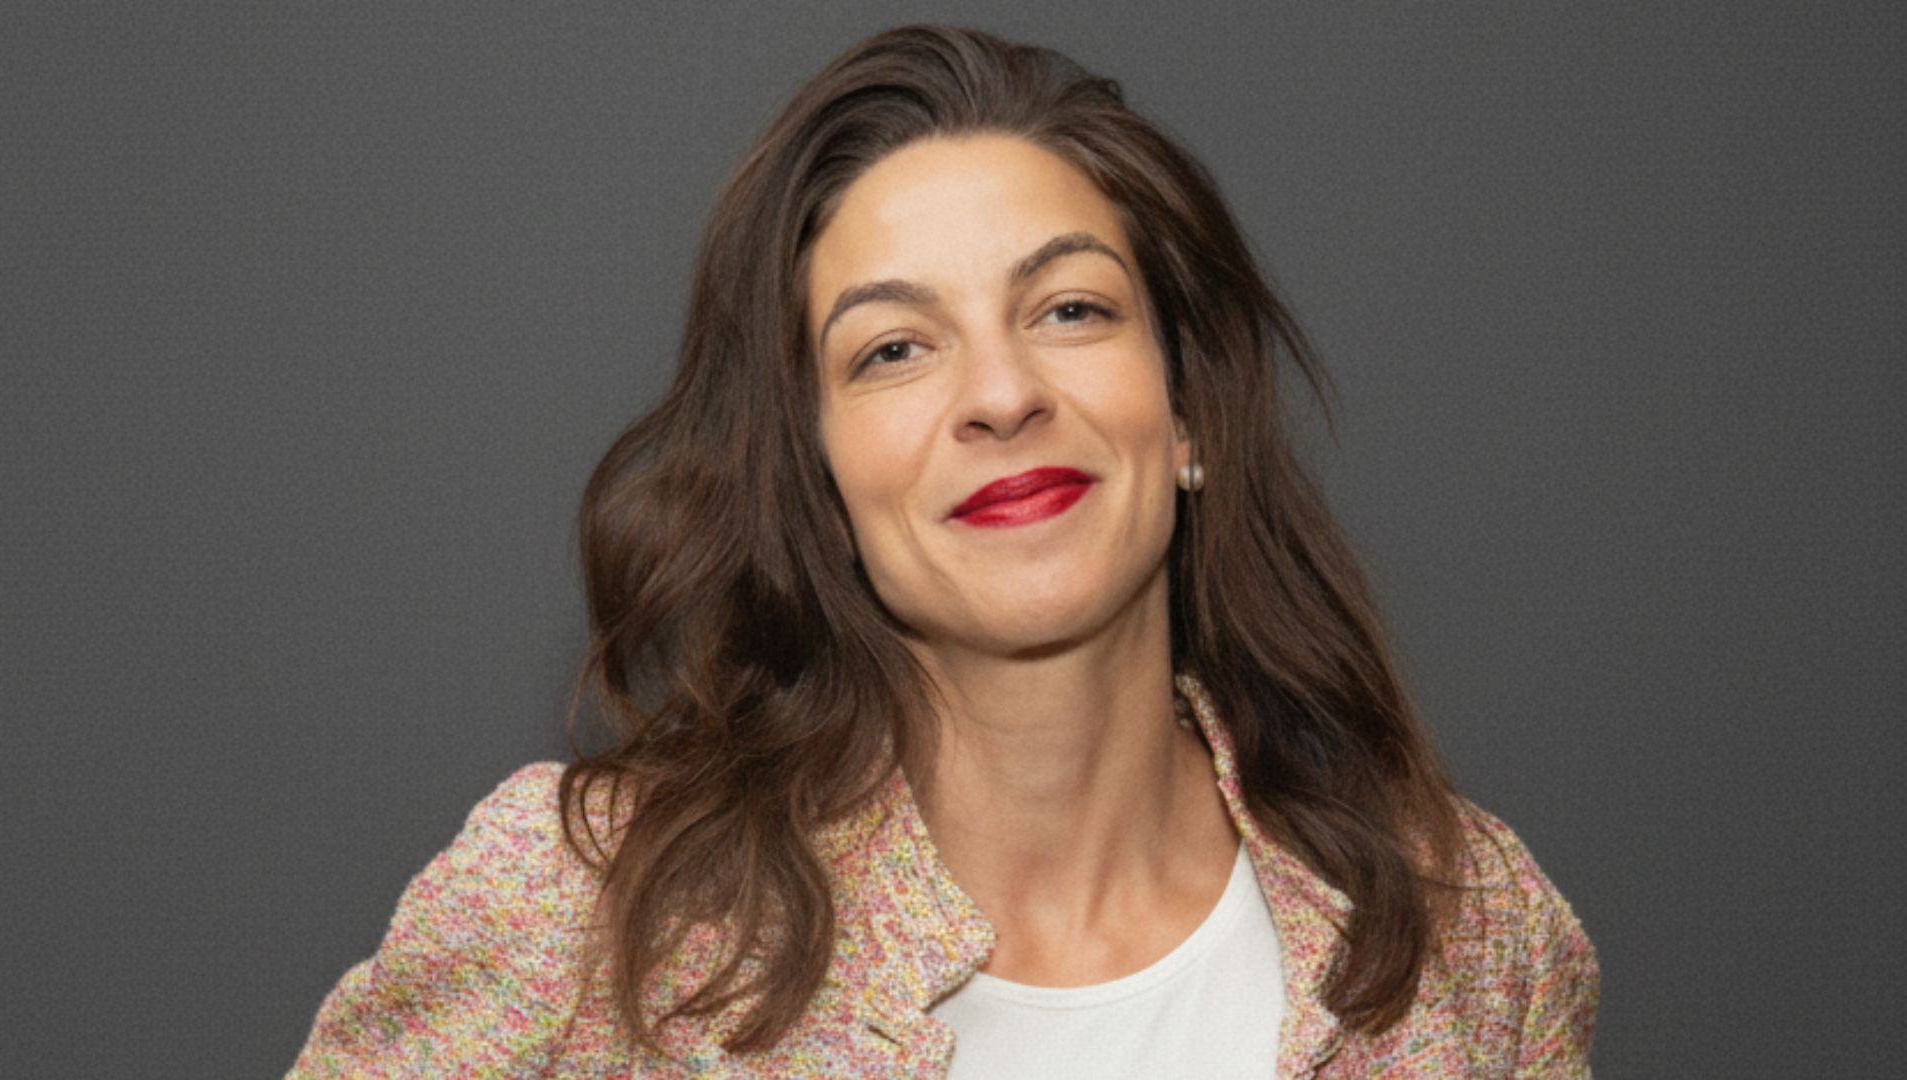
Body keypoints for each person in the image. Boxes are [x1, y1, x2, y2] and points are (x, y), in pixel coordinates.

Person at [289, 24, 1599, 1078]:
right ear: (816, 477)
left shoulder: (1470, 932)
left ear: (1188, 411)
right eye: (894, 349)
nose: (1002, 394)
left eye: (1070, 308)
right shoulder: (581, 912)